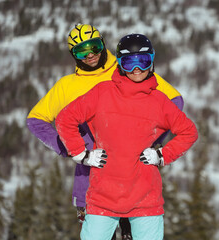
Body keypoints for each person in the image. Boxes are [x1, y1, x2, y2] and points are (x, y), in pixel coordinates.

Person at [26, 24, 184, 240]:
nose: (90, 54)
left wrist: (150, 140)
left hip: (134, 181)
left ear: (103, 43)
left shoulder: (127, 69)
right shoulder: (67, 86)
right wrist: (72, 148)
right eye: (81, 50)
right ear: (73, 54)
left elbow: (174, 101)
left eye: (94, 46)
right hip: (90, 179)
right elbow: (36, 120)